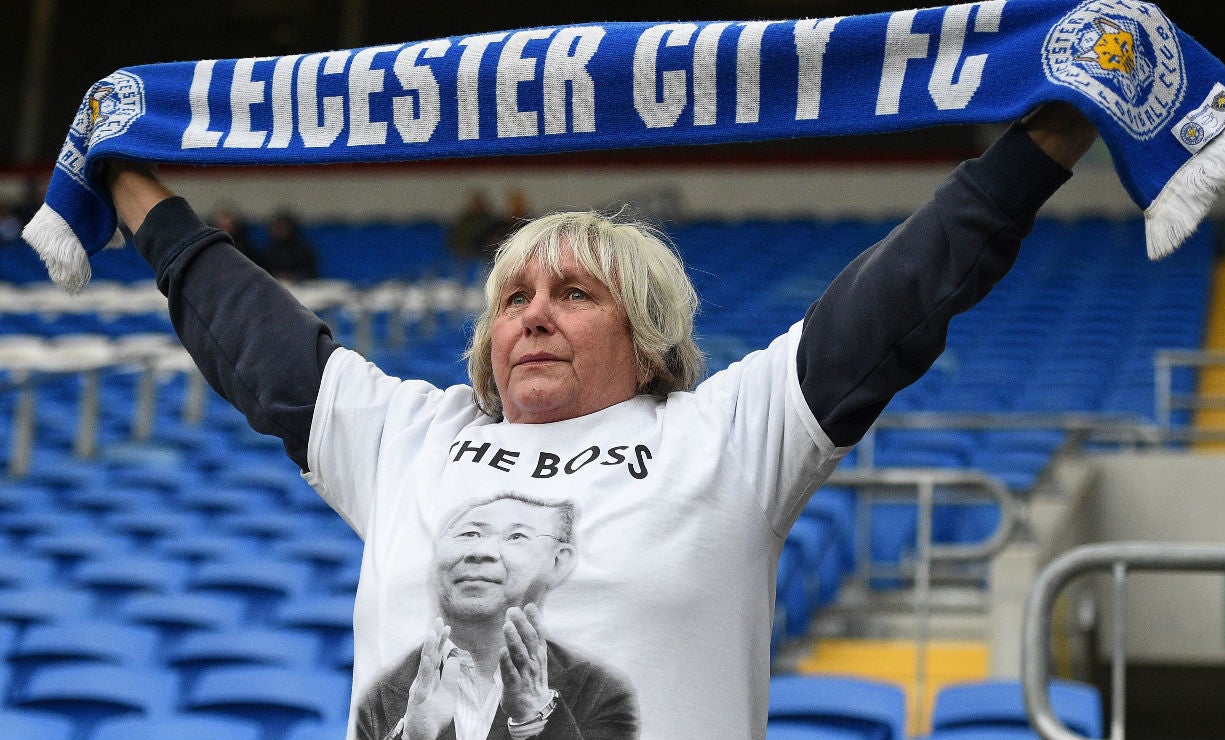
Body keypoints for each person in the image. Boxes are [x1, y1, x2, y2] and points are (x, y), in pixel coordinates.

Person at [102, 100, 1097, 740]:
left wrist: (1056, 129)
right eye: (511, 297)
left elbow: (917, 279)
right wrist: (127, 182)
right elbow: (248, 331)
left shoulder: (727, 435)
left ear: (653, 339)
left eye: (574, 292)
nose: (531, 312)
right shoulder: (410, 434)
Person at [355, 492, 638, 739]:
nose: (481, 552)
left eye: (516, 537)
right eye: (469, 534)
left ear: (559, 560)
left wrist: (533, 719)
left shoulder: (600, 691)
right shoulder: (383, 692)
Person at [263, 210, 319, 282]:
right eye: (277, 227)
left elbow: (310, 273)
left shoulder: (302, 250)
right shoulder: (268, 251)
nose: (279, 230)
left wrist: (291, 277)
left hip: (300, 286)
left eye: (282, 227)